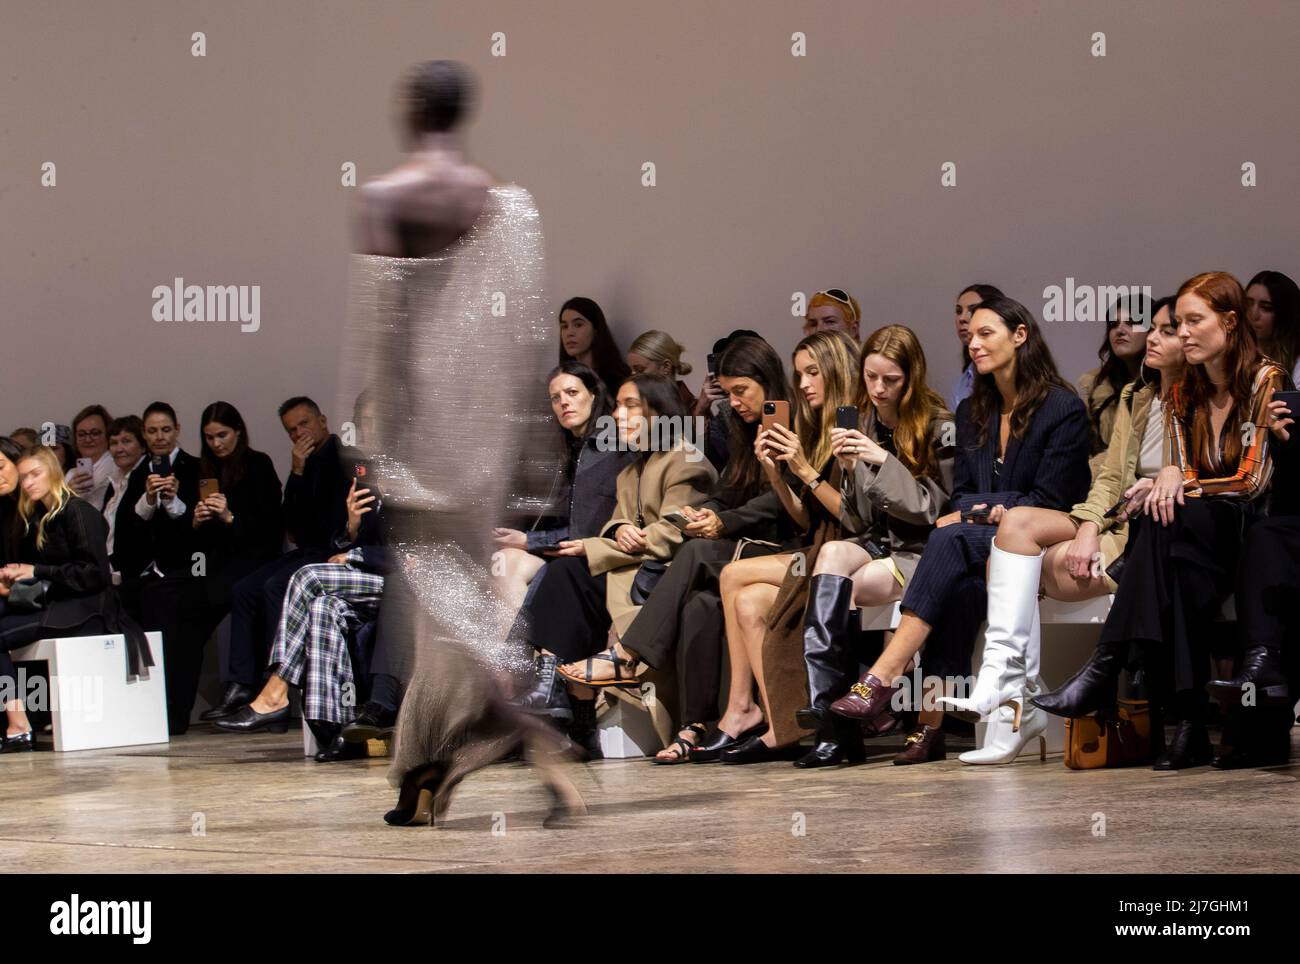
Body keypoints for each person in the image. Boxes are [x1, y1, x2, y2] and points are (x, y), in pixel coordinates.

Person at [343, 58, 581, 826]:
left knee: (450, 618)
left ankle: (528, 730)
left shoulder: (388, 197)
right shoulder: (508, 204)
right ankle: (425, 774)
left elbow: (384, 334)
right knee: (452, 616)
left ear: (412, 110)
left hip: (424, 444)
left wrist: (376, 442)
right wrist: (530, 447)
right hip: (483, 443)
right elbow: (522, 331)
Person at [1034, 272, 1289, 770]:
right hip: (1193, 543)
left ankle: (1110, 669)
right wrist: (1168, 479)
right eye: (1180, 323)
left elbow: (1252, 481)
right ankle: (1188, 726)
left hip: (1247, 536)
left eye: (1194, 321)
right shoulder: (1180, 392)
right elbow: (1179, 470)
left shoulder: (1264, 378)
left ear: (1231, 323)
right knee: (1170, 556)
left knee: (1163, 522)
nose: (1184, 332)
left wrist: (1177, 482)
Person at [830, 295, 1091, 765]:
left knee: (946, 538)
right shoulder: (973, 410)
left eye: (986, 333)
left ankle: (883, 677)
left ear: (1020, 335)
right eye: (970, 335)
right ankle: (931, 727)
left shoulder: (1062, 407)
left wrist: (987, 511)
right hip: (983, 539)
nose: (974, 343)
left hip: (1046, 532)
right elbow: (963, 494)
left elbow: (1054, 496)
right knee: (960, 589)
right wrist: (982, 511)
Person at [939, 297, 1185, 764]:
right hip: (1114, 521)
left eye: (1167, 330)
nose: (1152, 337)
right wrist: (1090, 528)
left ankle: (1015, 700)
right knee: (1014, 532)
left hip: (1155, 533)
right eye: (1153, 328)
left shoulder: (1195, 395)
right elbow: (1110, 477)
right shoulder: (1138, 395)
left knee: (1012, 552)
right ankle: (1007, 684)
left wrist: (1169, 478)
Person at [556, 335, 797, 763]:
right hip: (739, 544)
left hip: (782, 546)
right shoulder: (736, 429)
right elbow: (726, 492)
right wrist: (706, 516)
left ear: (766, 381)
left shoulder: (790, 427)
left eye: (741, 390)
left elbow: (784, 498)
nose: (735, 402)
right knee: (699, 605)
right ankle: (695, 725)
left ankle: (628, 655)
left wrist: (721, 520)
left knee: (694, 554)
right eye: (730, 392)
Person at [527, 374, 717, 756]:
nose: (618, 414)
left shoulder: (685, 459)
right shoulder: (631, 470)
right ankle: (554, 685)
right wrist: (619, 530)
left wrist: (604, 545)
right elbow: (620, 520)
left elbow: (676, 531)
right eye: (618, 405)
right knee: (562, 574)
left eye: (630, 405)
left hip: (664, 573)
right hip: (631, 567)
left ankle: (569, 700)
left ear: (657, 411)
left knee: (573, 570)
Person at [795, 324, 955, 766]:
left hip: (921, 550)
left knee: (850, 584)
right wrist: (851, 470)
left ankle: (842, 728)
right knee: (830, 555)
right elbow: (856, 518)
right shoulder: (858, 420)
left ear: (912, 377)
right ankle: (826, 712)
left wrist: (881, 461)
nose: (879, 389)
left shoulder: (938, 426)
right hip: (874, 540)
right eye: (871, 377)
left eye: (891, 380)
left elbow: (930, 509)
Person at [703, 330, 863, 765]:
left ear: (836, 370)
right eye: (800, 374)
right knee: (749, 601)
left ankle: (741, 707)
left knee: (733, 573)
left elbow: (854, 517)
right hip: (818, 543)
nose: (805, 383)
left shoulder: (852, 423)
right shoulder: (813, 427)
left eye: (813, 372)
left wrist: (803, 469)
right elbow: (806, 519)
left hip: (852, 550)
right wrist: (775, 473)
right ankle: (778, 721)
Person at [494, 361, 634, 721]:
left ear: (593, 394)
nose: (564, 403)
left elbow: (595, 528)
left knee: (553, 577)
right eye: (555, 398)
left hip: (612, 557)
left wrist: (531, 540)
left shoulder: (614, 448)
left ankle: (530, 681)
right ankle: (537, 689)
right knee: (512, 563)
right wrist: (528, 539)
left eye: (572, 393)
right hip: (578, 556)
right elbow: (574, 527)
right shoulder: (571, 451)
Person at [201, 396, 347, 720]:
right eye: (291, 430)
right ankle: (240, 683)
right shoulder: (302, 463)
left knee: (273, 586)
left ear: (322, 421)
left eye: (304, 424)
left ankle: (276, 688)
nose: (299, 434)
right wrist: (296, 473)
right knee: (244, 590)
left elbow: (323, 521)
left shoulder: (344, 458)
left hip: (331, 552)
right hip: (304, 550)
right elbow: (291, 522)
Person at [0, 447, 152, 751]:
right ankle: (19, 721)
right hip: (61, 606)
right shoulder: (44, 516)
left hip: (86, 611)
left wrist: (36, 570)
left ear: (54, 472)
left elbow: (95, 575)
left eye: (36, 474)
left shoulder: (77, 510)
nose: (28, 482)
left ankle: (19, 724)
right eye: (25, 475)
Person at [134, 401, 207, 734]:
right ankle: (149, 711)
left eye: (165, 429)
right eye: (152, 431)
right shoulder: (139, 472)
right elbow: (130, 527)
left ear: (177, 429)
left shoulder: (196, 468)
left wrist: (174, 501)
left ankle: (177, 714)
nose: (159, 437)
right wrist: (149, 498)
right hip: (148, 575)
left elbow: (199, 527)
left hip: (190, 571)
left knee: (182, 644)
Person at [1077, 292, 1153, 475]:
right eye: (1113, 325)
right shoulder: (1096, 387)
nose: (1120, 330)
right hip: (1099, 485)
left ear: (1154, 330)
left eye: (1133, 322)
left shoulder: (1163, 387)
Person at [101, 415, 151, 617]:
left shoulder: (147, 476)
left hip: (136, 575)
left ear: (142, 445)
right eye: (114, 443)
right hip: (112, 571)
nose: (119, 448)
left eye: (126, 441)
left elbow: (139, 527)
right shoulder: (115, 482)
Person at [558, 296, 631, 397]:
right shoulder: (560, 380)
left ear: (596, 330)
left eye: (578, 325)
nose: (569, 333)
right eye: (565, 327)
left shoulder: (619, 382)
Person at [950, 283, 1004, 411]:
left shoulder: (1007, 374)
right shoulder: (962, 383)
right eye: (958, 311)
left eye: (972, 310)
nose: (962, 318)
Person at [1244, 269, 1300, 386]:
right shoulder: (1233, 356)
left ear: (1285, 314)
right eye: (1248, 304)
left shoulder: (1296, 364)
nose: (1254, 315)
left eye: (1266, 307)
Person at [627, 329, 697, 412]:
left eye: (639, 370)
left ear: (666, 367)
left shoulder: (694, 409)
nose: (632, 377)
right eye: (631, 371)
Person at [66, 404, 115, 511]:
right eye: (81, 434)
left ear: (108, 434)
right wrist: (67, 494)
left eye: (95, 433)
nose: (88, 439)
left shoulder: (117, 466)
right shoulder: (71, 474)